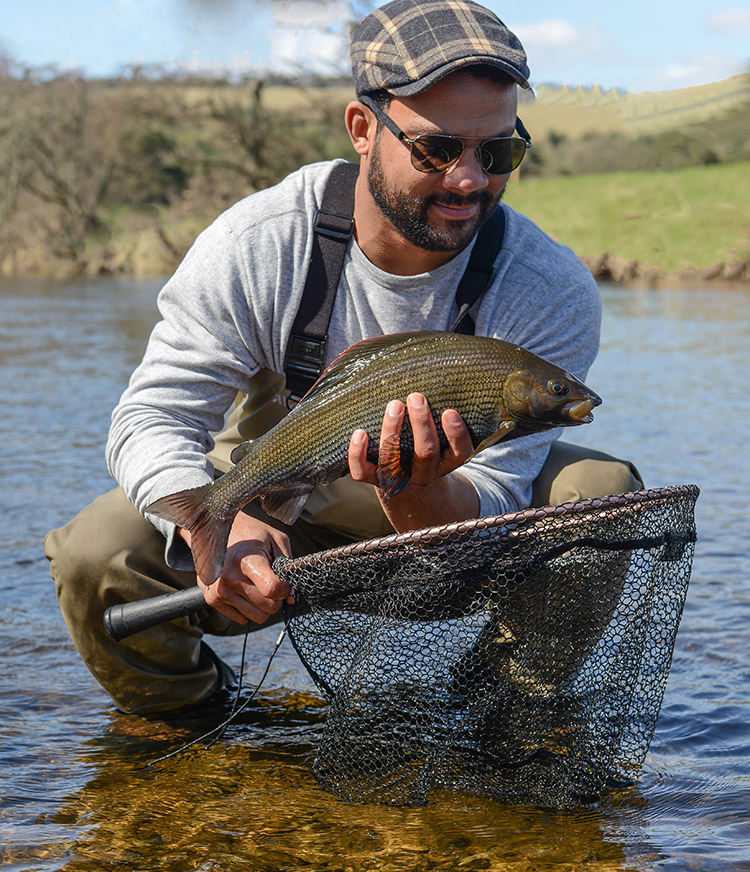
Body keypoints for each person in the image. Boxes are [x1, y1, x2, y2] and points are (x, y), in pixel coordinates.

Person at [45, 0, 642, 715]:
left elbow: (502, 490)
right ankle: (193, 728)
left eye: (499, 152)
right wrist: (224, 525)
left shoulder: (548, 288)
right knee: (96, 552)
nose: (469, 179)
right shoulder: (262, 242)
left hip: (447, 534)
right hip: (275, 506)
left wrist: (420, 495)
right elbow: (150, 417)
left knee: (600, 492)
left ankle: (498, 723)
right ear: (363, 130)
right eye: (437, 149)